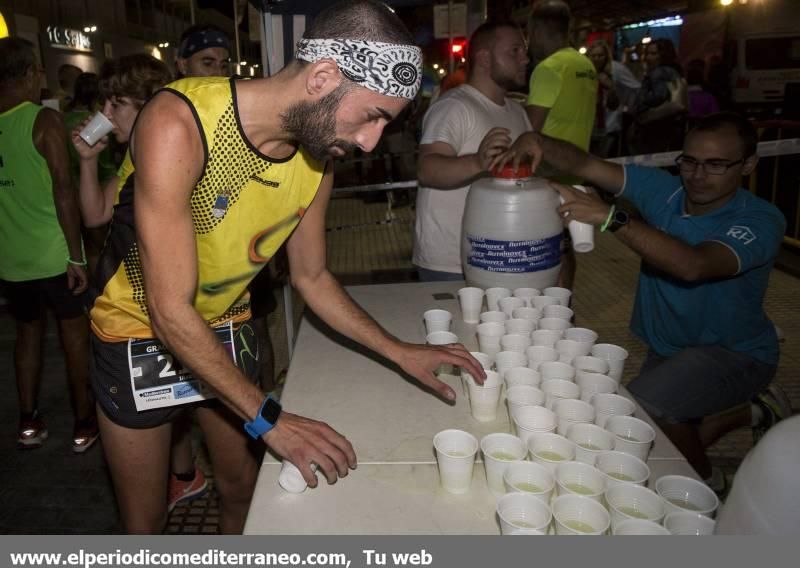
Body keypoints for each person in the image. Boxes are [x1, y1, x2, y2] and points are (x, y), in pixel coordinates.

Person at [88, 0, 484, 534]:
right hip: (133, 331)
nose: (369, 142)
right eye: (372, 116)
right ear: (322, 77)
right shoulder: (180, 121)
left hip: (223, 323)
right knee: (146, 522)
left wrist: (400, 351)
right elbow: (167, 309)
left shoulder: (317, 154)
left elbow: (313, 277)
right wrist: (271, 418)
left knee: (241, 491)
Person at [495, 112, 789, 493]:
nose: (697, 175)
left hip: (735, 352)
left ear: (748, 164)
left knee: (645, 410)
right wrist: (538, 142)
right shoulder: (665, 191)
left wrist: (612, 218)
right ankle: (750, 412)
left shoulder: (760, 220)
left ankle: (709, 485)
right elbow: (586, 164)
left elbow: (694, 265)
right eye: (690, 161)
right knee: (666, 424)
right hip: (667, 348)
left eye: (716, 165)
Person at [71, 55, 214, 512]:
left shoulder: (174, 152)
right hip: (148, 318)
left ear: (146, 105)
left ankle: (185, 475)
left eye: (116, 106)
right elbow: (94, 215)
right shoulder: (135, 158)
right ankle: (185, 474)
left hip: (184, 313)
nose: (105, 118)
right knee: (171, 409)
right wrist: (88, 163)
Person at [0, 38, 97, 453]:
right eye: (38, 69)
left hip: (12, 257)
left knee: (26, 335)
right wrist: (77, 255)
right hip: (55, 254)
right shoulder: (43, 121)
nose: (42, 76)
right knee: (74, 336)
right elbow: (63, 190)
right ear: (26, 74)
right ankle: (82, 423)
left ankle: (28, 421)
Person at [412, 22, 532, 281]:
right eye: (514, 51)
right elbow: (427, 169)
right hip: (450, 263)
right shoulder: (454, 107)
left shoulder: (518, 112)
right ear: (485, 58)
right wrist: (478, 161)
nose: (525, 59)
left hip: (501, 257)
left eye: (524, 51)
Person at [525, 0, 597, 290]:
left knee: (543, 249)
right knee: (565, 246)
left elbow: (530, 128)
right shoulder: (585, 65)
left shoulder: (548, 68)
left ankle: (548, 307)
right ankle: (565, 304)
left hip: (547, 174)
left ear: (539, 30)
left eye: (529, 33)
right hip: (576, 169)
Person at [630, 38, 687, 154]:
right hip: (665, 128)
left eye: (653, 53)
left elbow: (659, 96)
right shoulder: (673, 71)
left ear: (664, 54)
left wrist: (641, 100)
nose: (648, 57)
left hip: (654, 128)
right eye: (647, 53)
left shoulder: (660, 72)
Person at [587, 39, 640, 158]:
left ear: (606, 56)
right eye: (593, 55)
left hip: (610, 126)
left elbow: (636, 87)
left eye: (600, 55)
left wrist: (628, 106)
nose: (596, 59)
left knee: (605, 160)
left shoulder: (616, 69)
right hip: (589, 126)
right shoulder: (587, 71)